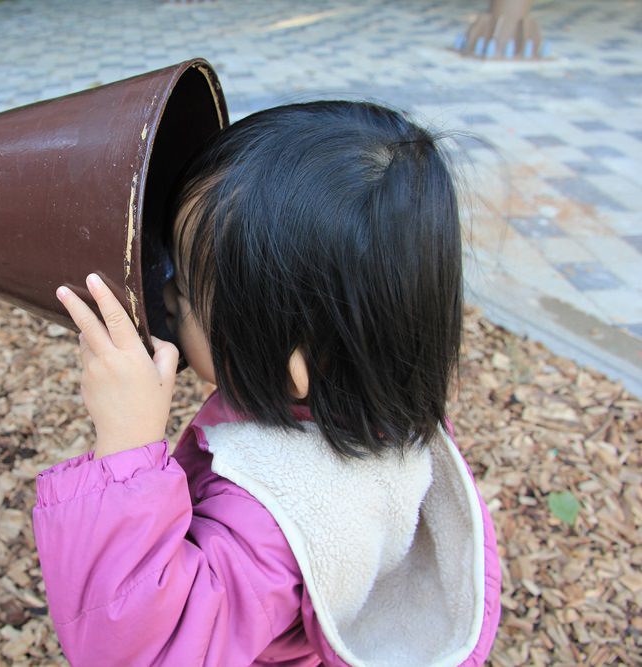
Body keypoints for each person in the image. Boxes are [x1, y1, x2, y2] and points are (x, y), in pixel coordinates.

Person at [34, 101, 502, 667]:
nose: (167, 295)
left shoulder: (269, 516)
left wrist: (128, 442)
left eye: (186, 291)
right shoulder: (384, 403)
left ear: (290, 366)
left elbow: (144, 651)